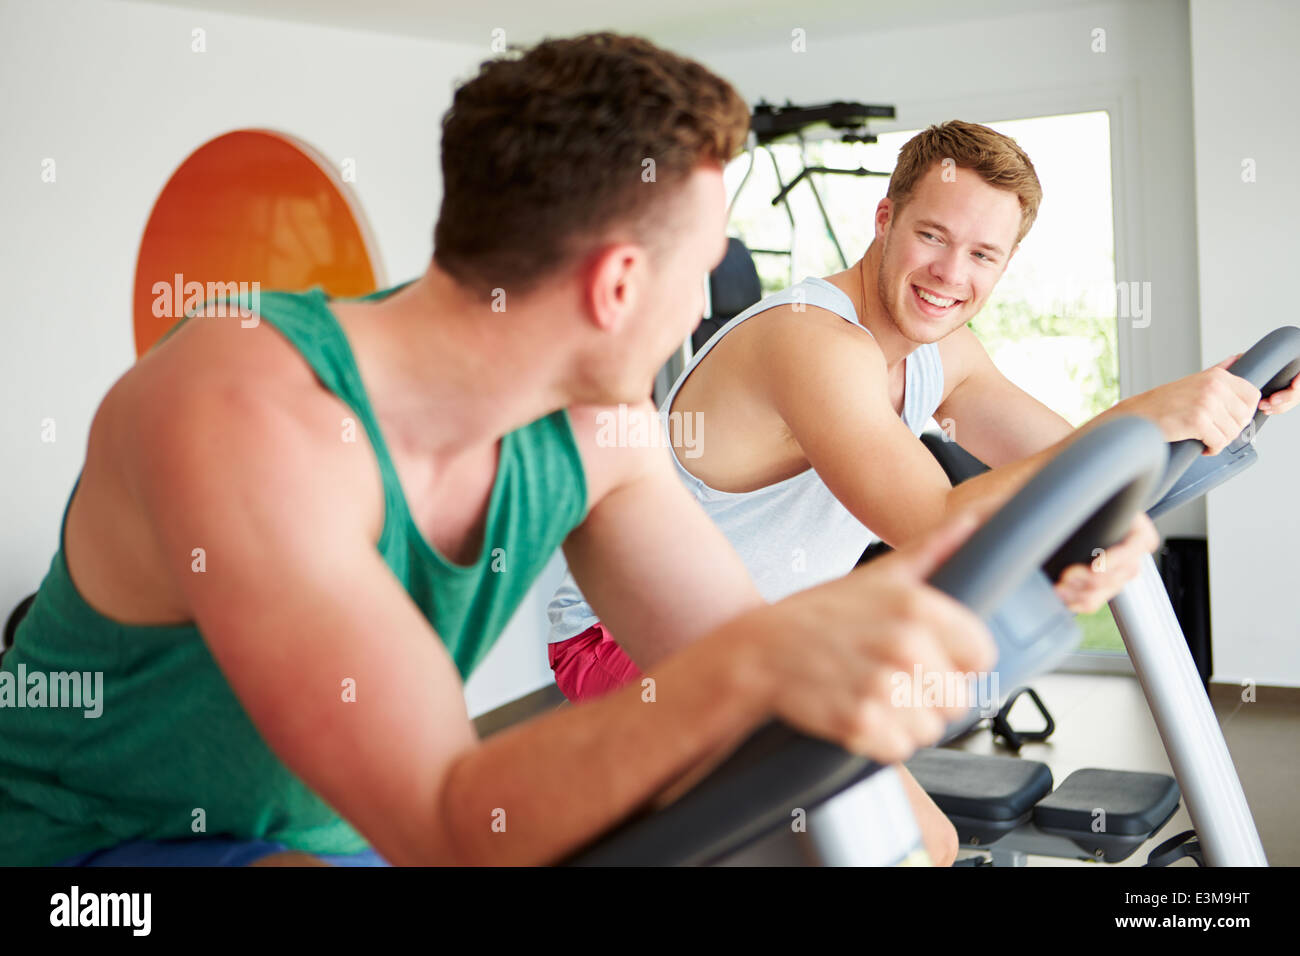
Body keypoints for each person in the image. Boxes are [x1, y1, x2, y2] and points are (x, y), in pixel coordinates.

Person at [0, 33, 997, 867]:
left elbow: (729, 646)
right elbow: (451, 818)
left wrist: (916, 821)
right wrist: (760, 669)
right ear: (614, 287)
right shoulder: (245, 413)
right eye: (700, 271)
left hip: (335, 828)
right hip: (91, 853)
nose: (701, 306)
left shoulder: (600, 428)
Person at [547, 119, 1300, 865]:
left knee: (924, 844)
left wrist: (1211, 410)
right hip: (634, 641)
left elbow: (1065, 458)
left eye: (981, 254)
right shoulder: (811, 340)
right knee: (875, 852)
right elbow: (932, 519)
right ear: (885, 219)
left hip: (771, 638)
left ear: (1003, 268)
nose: (950, 273)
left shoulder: (945, 353)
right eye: (932, 236)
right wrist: (1149, 413)